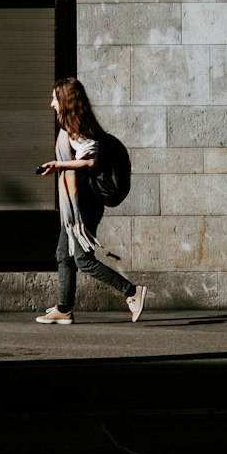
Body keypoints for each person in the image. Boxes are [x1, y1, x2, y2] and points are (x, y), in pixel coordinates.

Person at [35, 77, 147, 325]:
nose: (51, 103)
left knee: (83, 260)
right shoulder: (73, 126)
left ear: (65, 100)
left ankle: (132, 291)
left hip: (84, 205)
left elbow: (90, 161)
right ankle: (64, 308)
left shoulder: (78, 128)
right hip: (77, 205)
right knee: (63, 255)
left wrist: (58, 165)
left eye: (55, 97)